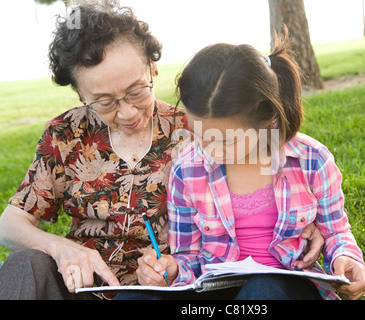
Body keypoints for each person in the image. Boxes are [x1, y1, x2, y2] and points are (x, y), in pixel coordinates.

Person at [0, 1, 323, 300]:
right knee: (24, 264)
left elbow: (280, 167)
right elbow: (9, 225)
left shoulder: (201, 132)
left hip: (169, 291)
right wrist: (60, 248)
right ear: (79, 91)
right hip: (81, 288)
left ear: (153, 68)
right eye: (104, 102)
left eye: (136, 91)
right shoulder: (65, 135)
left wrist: (310, 226)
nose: (127, 113)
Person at [131, 29, 365, 300]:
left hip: (285, 289)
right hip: (216, 290)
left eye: (226, 141)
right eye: (198, 134)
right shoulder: (186, 169)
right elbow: (188, 255)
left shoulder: (311, 161)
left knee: (261, 290)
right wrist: (173, 270)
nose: (208, 149)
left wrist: (348, 260)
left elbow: (336, 232)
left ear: (268, 119)